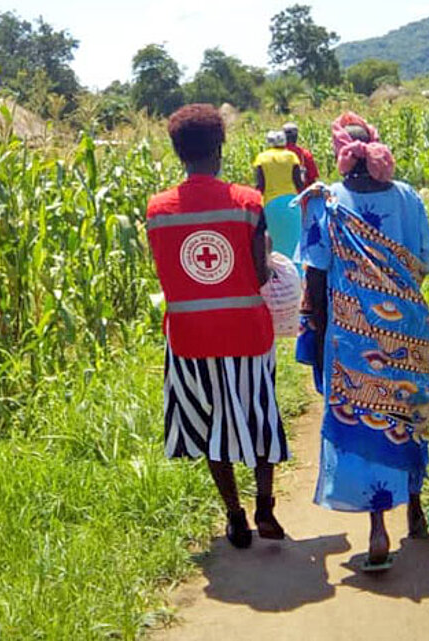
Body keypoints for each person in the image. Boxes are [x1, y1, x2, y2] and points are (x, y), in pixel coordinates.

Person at [296, 112, 429, 570]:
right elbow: (428, 259)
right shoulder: (408, 197)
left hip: (352, 334)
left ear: (340, 157)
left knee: (364, 419)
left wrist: (317, 335)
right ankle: (415, 509)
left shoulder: (325, 203)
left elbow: (315, 277)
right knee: (408, 410)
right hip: (408, 327)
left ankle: (378, 530)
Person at [147, 104, 289, 549]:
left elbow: (169, 272)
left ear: (177, 152)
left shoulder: (157, 210)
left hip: (190, 338)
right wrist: (264, 249)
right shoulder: (248, 203)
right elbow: (261, 275)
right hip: (246, 332)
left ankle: (235, 518)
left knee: (211, 426)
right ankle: (265, 504)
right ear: (221, 147)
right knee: (260, 417)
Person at [254, 130, 305, 262]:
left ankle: (278, 278)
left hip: (270, 204)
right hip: (292, 203)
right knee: (294, 244)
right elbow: (299, 183)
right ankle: (297, 277)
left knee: (275, 245)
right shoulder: (291, 156)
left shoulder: (261, 158)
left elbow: (260, 185)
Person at [283, 122, 319, 188]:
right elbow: (312, 177)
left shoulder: (276, 154)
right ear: (296, 136)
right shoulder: (305, 154)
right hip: (302, 194)